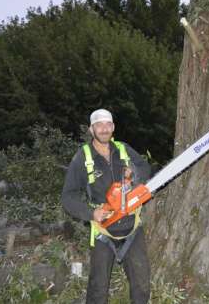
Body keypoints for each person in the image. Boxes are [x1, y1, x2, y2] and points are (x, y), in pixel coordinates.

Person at [62, 108, 151, 304]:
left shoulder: (123, 149)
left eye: (108, 125)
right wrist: (91, 212)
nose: (104, 129)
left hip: (131, 225)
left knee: (142, 284)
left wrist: (134, 175)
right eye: (99, 125)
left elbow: (145, 168)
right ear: (91, 130)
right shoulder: (82, 157)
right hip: (103, 229)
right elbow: (68, 197)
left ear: (113, 128)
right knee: (98, 288)